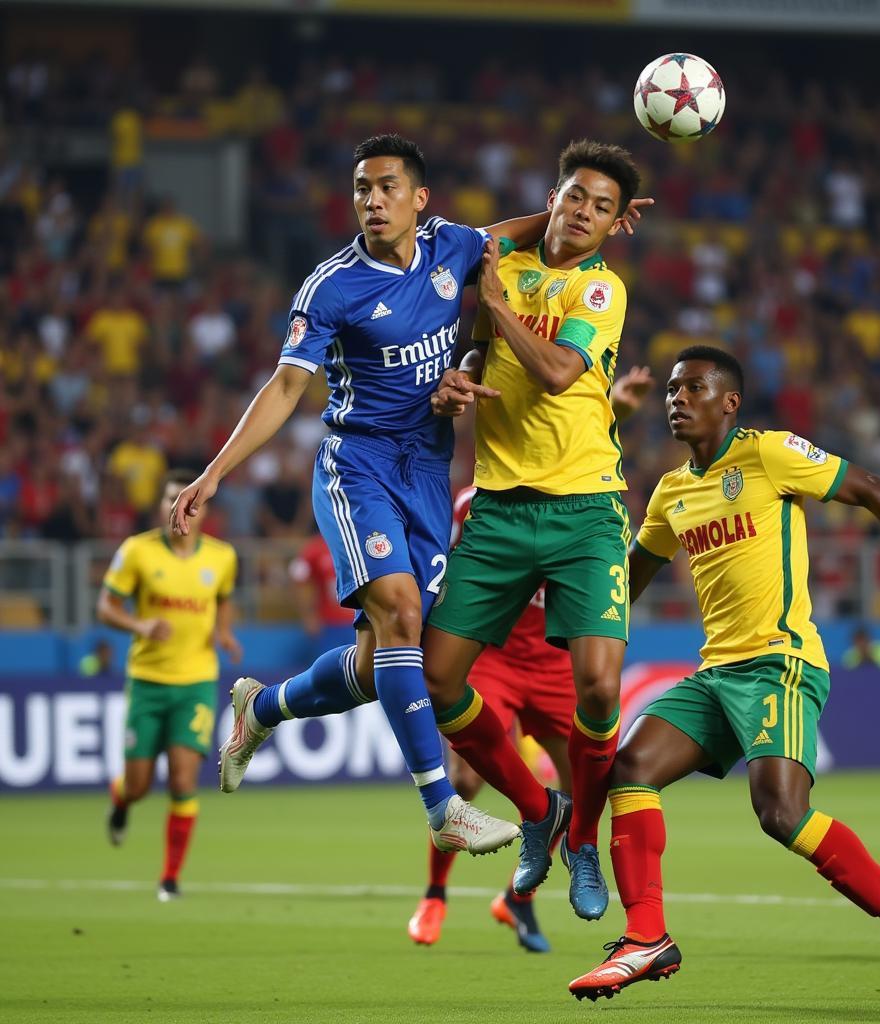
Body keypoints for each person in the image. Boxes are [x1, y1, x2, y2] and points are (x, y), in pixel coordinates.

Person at [170, 134, 649, 854]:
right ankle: (440, 803)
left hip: (428, 469)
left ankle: (261, 707)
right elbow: (287, 386)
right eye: (362, 188)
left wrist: (582, 214)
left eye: (387, 187)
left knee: (388, 659)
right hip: (358, 462)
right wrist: (213, 474)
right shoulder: (329, 286)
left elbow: (513, 233)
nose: (372, 200)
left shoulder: (451, 248)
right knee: (398, 613)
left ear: (419, 199)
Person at [567, 346, 880, 1004]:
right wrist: (581, 603)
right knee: (631, 769)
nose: (676, 399)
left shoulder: (768, 453)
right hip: (716, 673)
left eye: (693, 388)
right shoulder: (674, 490)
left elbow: (872, 489)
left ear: (729, 402)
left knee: (781, 813)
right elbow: (635, 572)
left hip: (780, 661)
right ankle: (645, 936)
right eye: (672, 390)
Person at [423, 140, 642, 922]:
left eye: (603, 207)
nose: (585, 213)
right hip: (500, 507)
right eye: (575, 196)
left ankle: (583, 838)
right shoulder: (502, 262)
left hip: (586, 508)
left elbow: (554, 373)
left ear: (618, 227)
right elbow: (479, 249)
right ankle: (536, 809)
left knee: (598, 686)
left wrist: (497, 308)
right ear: (552, 199)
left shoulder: (600, 291)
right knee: (440, 680)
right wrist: (459, 378)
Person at [409, 365, 654, 952]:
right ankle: (434, 895)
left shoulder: (586, 503)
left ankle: (517, 900)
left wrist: (613, 406)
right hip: (498, 658)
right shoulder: (477, 506)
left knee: (585, 790)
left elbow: (567, 445)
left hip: (552, 666)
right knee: (466, 777)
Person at [99, 469, 242, 901]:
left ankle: (170, 879)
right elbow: (106, 606)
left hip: (196, 682)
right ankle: (122, 801)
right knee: (139, 784)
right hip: (147, 681)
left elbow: (224, 600)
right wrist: (139, 623)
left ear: (201, 509)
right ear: (160, 506)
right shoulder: (137, 552)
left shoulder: (222, 557)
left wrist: (224, 633)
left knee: (183, 780)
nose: (175, 507)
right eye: (167, 499)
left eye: (186, 500)